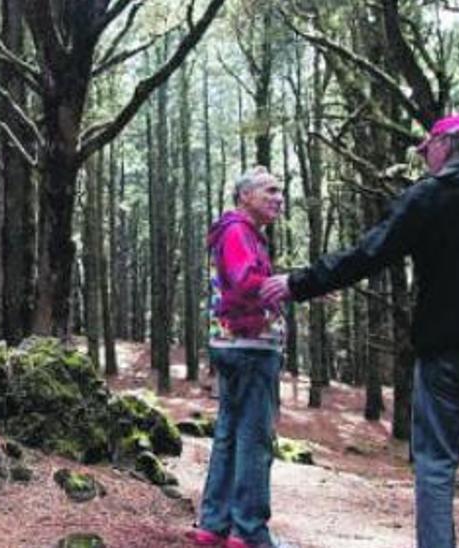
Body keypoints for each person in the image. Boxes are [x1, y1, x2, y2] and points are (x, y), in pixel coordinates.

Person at [261, 114, 459, 548]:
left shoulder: (431, 197)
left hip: (448, 357)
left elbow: (370, 252)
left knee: (436, 467)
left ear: (448, 145)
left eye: (427, 151)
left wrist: (299, 282)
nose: (425, 160)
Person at [189, 167, 286, 548]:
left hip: (237, 347)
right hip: (248, 348)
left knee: (230, 433)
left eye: (280, 191)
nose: (279, 197)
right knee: (254, 438)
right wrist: (287, 287)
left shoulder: (243, 233)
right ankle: (248, 531)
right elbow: (245, 281)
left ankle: (215, 524)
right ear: (245, 196)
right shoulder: (237, 232)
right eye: (270, 190)